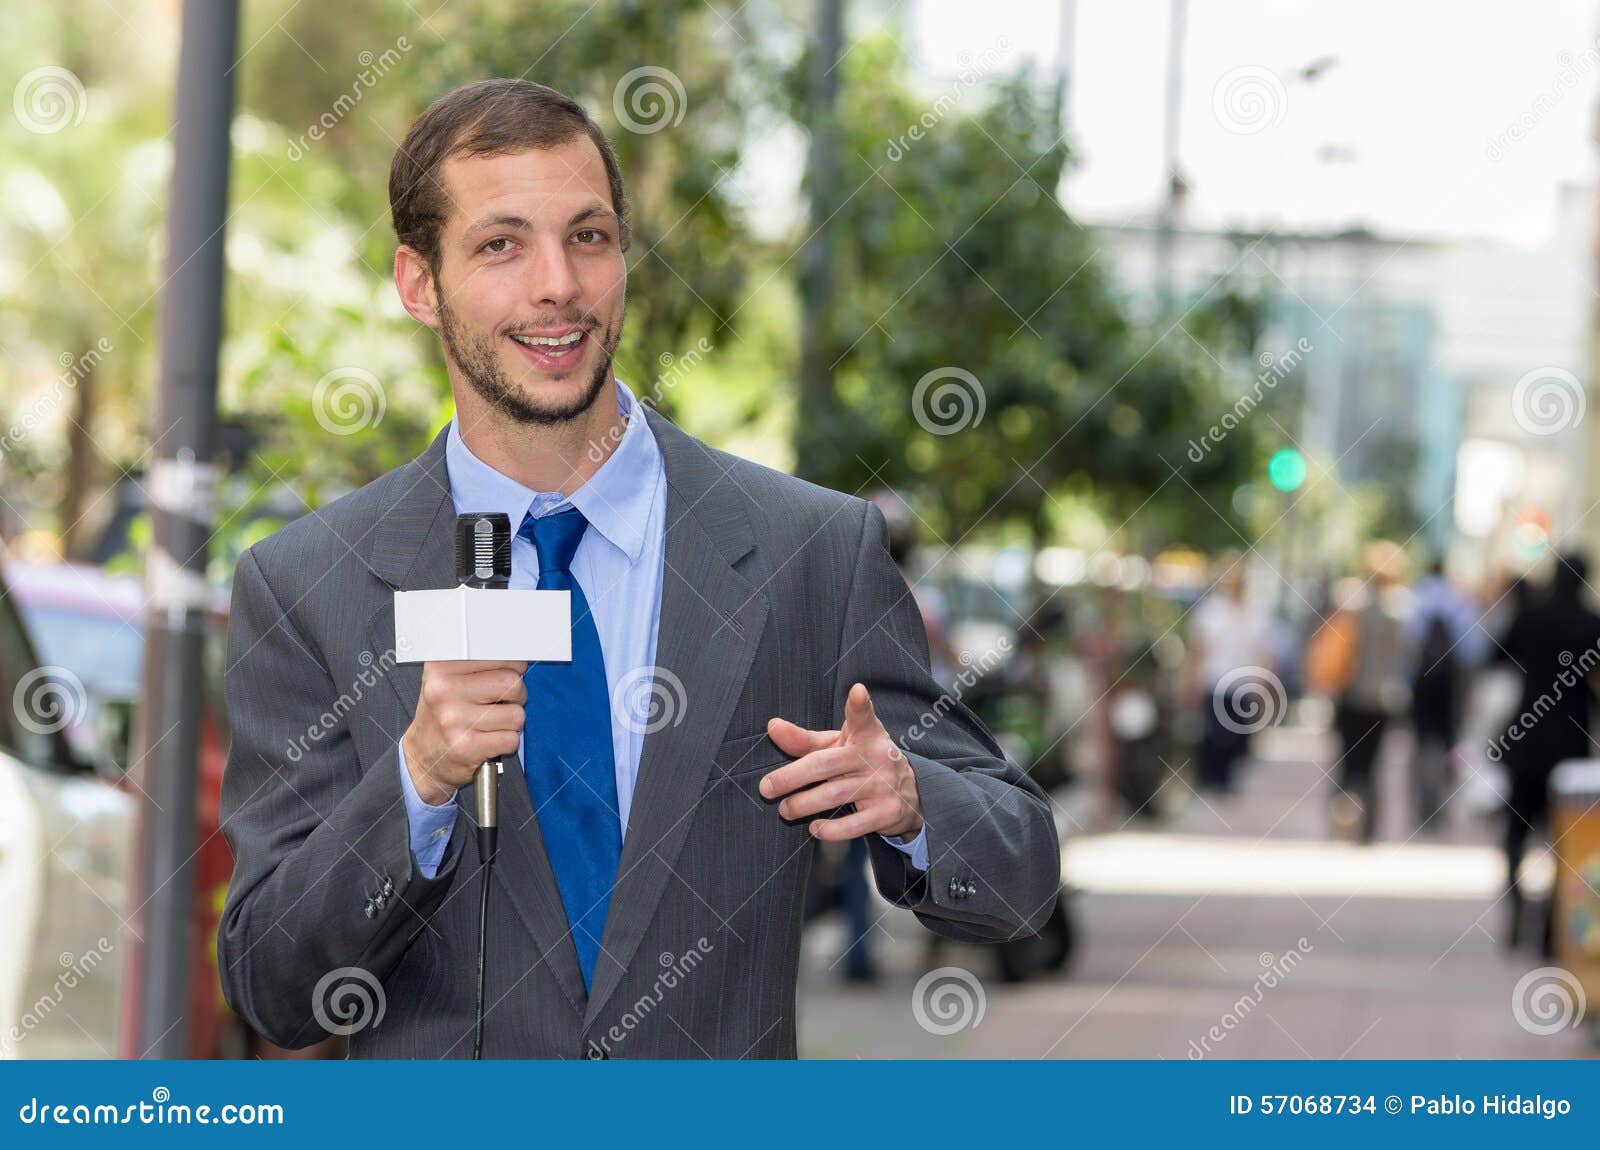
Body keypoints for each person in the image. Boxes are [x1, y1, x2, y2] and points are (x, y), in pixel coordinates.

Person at [216, 80, 1059, 1059]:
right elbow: (274, 987)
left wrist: (915, 801)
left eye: (589, 236)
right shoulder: (308, 586)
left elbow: (1023, 877)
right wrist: (415, 781)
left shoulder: (808, 553)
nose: (557, 285)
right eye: (501, 245)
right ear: (417, 282)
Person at [1496, 553, 1600, 952]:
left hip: (1527, 741)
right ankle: (1548, 935)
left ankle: (1516, 913)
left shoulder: (1531, 615)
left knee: (1515, 835)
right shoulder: (1591, 624)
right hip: (1570, 751)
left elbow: (1497, 655)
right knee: (1565, 844)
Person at [1325, 542, 1409, 844]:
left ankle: (1342, 823)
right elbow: (1407, 657)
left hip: (1353, 694)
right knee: (1373, 765)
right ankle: (1368, 830)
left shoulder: (1354, 607)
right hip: (1384, 698)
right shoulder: (1401, 612)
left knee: (1349, 762)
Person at [1185, 554, 1271, 794]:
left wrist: (1260, 684)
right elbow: (1198, 650)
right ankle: (1210, 779)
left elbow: (1260, 650)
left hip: (1242, 684)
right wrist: (1191, 681)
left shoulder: (1254, 612)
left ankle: (1225, 779)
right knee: (1214, 734)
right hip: (1216, 682)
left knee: (1236, 736)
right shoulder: (1210, 612)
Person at [1404, 558, 1480, 832]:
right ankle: (1444, 801)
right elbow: (1472, 647)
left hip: (1421, 682)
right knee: (1448, 739)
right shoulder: (1456, 600)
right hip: (1448, 683)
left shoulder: (1416, 598)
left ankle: (1422, 797)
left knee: (1421, 739)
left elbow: (1406, 643)